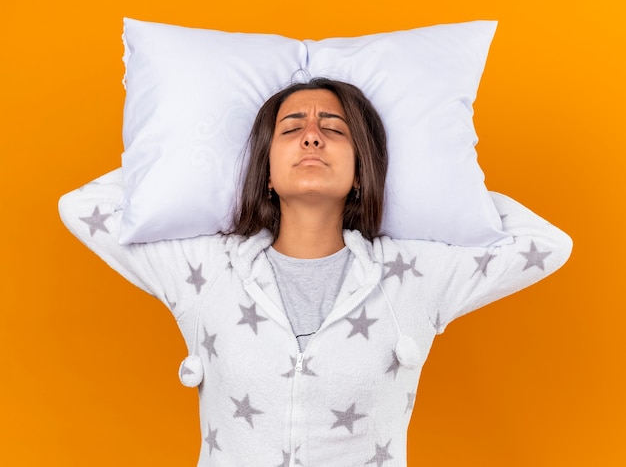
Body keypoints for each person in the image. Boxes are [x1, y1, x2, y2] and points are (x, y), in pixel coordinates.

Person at [59, 77, 572, 466]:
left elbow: (547, 244)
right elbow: (82, 207)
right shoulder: (205, 269)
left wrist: (439, 182)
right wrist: (205, 166)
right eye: (290, 129)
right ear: (262, 167)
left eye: (333, 129)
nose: (310, 138)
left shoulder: (413, 274)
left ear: (361, 168)